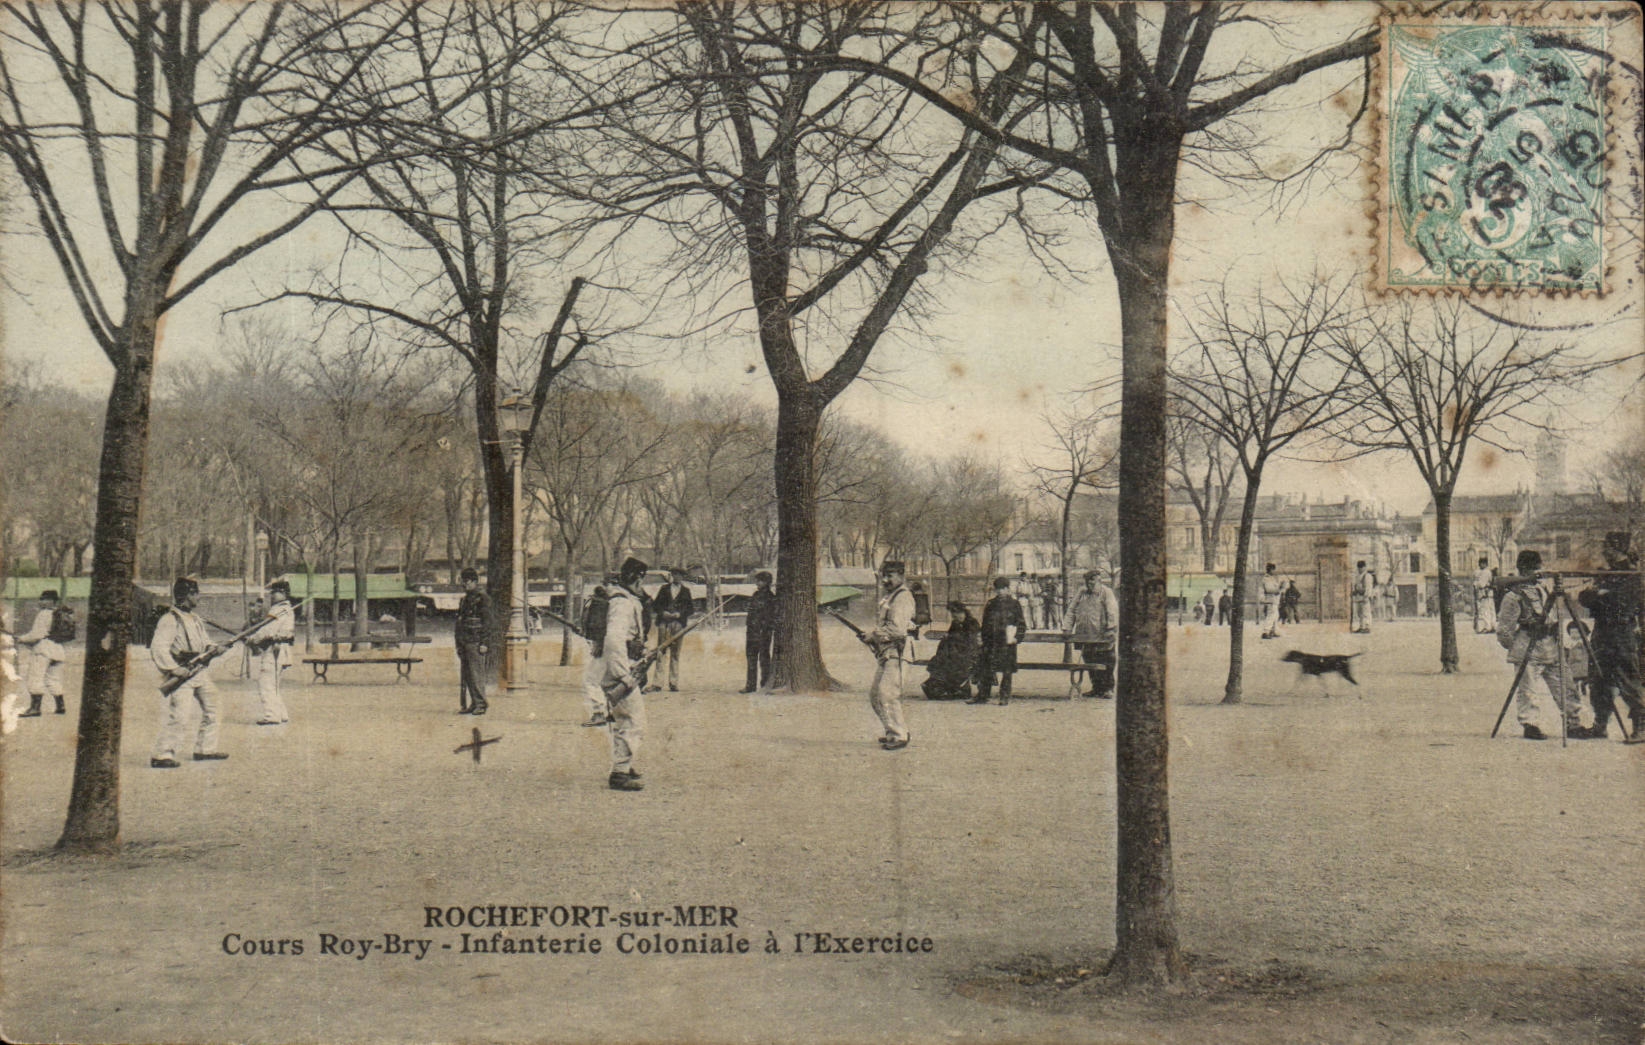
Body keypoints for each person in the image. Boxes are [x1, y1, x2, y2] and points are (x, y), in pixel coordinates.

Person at [1497, 549, 1576, 740]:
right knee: (1528, 690)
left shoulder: (1545, 589)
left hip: (1550, 644)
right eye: (1532, 569)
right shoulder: (1513, 596)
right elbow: (1504, 630)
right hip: (1528, 646)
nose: (1536, 572)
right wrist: (1516, 645)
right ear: (1522, 568)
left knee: (1565, 685)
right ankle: (1530, 724)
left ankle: (1574, 722)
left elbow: (1556, 616)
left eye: (1537, 568)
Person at [149, 577, 228, 767]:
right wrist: (175, 669)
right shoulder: (169, 619)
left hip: (198, 670)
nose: (198, 598)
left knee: (214, 707)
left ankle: (205, 749)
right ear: (187, 595)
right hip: (182, 672)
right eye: (196, 594)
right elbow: (158, 647)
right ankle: (162, 755)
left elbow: (205, 643)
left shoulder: (195, 619)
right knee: (180, 715)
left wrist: (215, 649)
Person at [1574, 532, 1644, 742]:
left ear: (1617, 549)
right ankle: (1600, 724)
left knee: (1627, 679)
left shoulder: (1632, 576)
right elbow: (1584, 598)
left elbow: (1620, 604)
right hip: (1602, 631)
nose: (1605, 552)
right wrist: (1599, 596)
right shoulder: (1606, 574)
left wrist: (1600, 597)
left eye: (1608, 548)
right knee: (1597, 678)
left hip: (1621, 632)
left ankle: (1641, 727)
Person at [600, 557, 651, 790]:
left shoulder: (622, 599)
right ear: (637, 578)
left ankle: (624, 764)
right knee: (633, 720)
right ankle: (619, 773)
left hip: (623, 664)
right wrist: (623, 675)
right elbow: (614, 639)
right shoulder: (623, 603)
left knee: (624, 719)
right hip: (621, 668)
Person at [865, 560, 916, 746]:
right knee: (875, 696)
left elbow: (898, 630)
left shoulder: (902, 597)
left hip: (899, 652)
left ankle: (900, 735)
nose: (886, 580)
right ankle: (892, 731)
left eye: (891, 575)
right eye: (884, 575)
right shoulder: (890, 597)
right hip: (887, 652)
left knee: (887, 694)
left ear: (901, 576)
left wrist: (874, 635)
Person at [17, 589, 72, 717]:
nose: (40, 601)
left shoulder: (44, 614)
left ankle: (35, 708)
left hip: (43, 650)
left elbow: (37, 635)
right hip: (58, 650)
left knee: (35, 677)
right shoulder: (59, 613)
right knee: (53, 679)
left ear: (51, 601)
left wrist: (21, 639)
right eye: (41, 599)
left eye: (44, 599)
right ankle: (60, 706)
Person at [1065, 569, 1119, 698]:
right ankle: (1096, 688)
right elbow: (1071, 610)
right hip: (1085, 634)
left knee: (1107, 660)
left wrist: (1111, 628)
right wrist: (1067, 627)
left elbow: (1112, 611)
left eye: (1093, 581)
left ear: (1099, 581)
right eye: (1088, 581)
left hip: (1102, 634)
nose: (1090, 584)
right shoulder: (1082, 592)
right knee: (1089, 659)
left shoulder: (1106, 592)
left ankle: (1108, 688)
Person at [973, 576, 1026, 706]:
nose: (1000, 592)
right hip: (991, 642)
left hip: (1007, 643)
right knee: (986, 668)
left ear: (1008, 589)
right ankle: (983, 695)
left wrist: (1016, 638)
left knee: (1007, 671)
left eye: (1003, 589)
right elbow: (985, 624)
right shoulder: (991, 604)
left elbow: (1021, 624)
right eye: (998, 589)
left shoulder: (1014, 604)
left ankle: (1004, 696)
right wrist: (983, 640)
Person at [249, 579, 295, 725]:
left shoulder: (278, 610)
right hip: (281, 649)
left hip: (275, 649)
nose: (272, 595)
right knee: (273, 684)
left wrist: (253, 639)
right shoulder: (286, 609)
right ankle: (281, 713)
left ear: (283, 593)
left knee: (266, 683)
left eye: (275, 592)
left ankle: (271, 715)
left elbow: (267, 630)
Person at [922, 599, 979, 701]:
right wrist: (948, 637)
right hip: (955, 652)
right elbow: (950, 636)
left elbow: (971, 640)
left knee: (952, 662)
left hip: (968, 652)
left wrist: (952, 638)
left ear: (963, 612)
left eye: (958, 614)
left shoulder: (972, 623)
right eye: (954, 615)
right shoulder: (955, 623)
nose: (956, 617)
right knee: (943, 660)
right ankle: (948, 687)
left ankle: (955, 688)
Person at [454, 567, 492, 716]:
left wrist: (485, 643)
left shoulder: (483, 598)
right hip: (465, 640)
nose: (464, 584)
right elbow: (460, 621)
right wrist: (458, 642)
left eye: (467, 581)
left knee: (476, 674)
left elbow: (488, 622)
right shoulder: (465, 599)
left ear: (475, 582)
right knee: (468, 674)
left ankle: (481, 704)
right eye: (463, 581)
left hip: (476, 641)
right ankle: (474, 703)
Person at [649, 568, 694, 693]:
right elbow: (655, 605)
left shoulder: (686, 591)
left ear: (682, 577)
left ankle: (673, 683)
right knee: (660, 651)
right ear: (671, 576)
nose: (677, 577)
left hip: (678, 624)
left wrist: (679, 614)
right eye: (675, 575)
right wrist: (663, 613)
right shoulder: (664, 589)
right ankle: (657, 683)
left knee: (675, 653)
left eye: (680, 575)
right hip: (664, 623)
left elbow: (691, 609)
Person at [579, 584, 611, 727]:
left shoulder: (598, 603)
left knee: (590, 680)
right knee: (609, 679)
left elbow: (595, 625)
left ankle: (598, 713)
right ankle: (612, 712)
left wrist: (597, 643)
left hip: (602, 645)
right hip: (617, 647)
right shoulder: (618, 602)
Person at [741, 571, 777, 694]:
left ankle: (764, 684)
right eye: (757, 580)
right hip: (751, 632)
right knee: (751, 659)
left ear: (767, 582)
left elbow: (770, 617)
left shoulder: (771, 598)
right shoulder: (755, 595)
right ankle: (750, 685)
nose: (757, 583)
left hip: (763, 633)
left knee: (764, 659)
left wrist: (763, 629)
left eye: (760, 581)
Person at [1259, 564, 1283, 639]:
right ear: (1270, 569)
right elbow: (1269, 589)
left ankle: (1273, 631)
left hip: (1274, 600)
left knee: (1275, 616)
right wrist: (1279, 588)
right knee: (1271, 616)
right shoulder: (1267, 578)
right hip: (1270, 600)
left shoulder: (1271, 578)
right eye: (1273, 569)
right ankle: (1266, 632)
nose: (1274, 571)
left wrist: (1280, 586)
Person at [1473, 557, 1497, 633]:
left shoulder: (1485, 572)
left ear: (1485, 564)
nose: (1480, 565)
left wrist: (1475, 583)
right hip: (1489, 594)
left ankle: (1487, 627)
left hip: (1484, 594)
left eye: (1481, 563)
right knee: (1491, 611)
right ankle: (1493, 626)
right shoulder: (1489, 572)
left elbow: (1481, 584)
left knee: (1485, 611)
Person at [1351, 561, 1374, 634]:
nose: (1360, 569)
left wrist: (1366, 596)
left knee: (1366, 613)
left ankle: (1367, 627)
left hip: (1364, 597)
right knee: (1360, 613)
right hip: (1358, 597)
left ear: (1364, 567)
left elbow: (1368, 587)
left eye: (1361, 567)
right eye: (1359, 567)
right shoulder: (1357, 576)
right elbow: (1356, 586)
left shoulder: (1367, 576)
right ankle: (1361, 627)